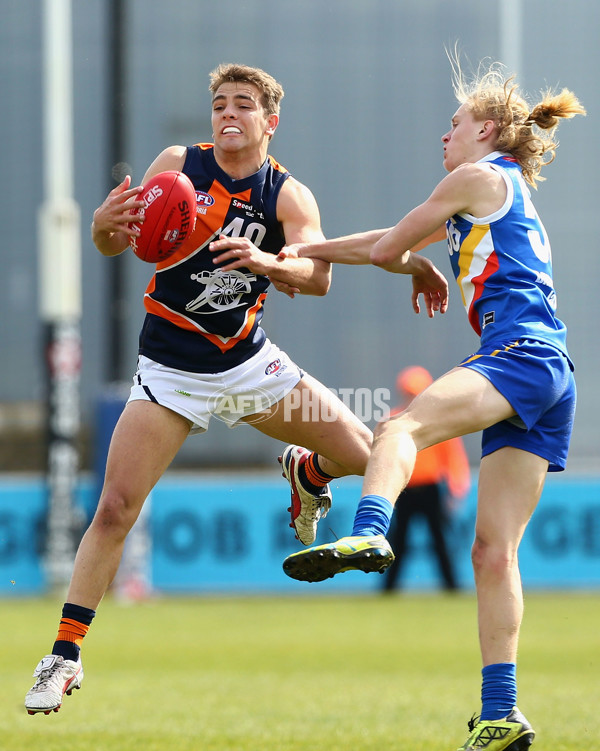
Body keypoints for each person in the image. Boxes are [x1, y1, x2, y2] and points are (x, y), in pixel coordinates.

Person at [24, 63, 438, 716]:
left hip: (247, 366)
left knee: (369, 455)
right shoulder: (178, 166)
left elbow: (319, 276)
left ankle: (308, 471)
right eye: (219, 103)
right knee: (116, 507)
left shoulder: (286, 196)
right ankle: (63, 656)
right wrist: (104, 224)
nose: (227, 114)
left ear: (270, 122)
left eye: (243, 104)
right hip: (170, 368)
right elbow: (117, 244)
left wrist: (270, 262)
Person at [280, 58, 585, 751]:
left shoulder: (475, 176)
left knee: (399, 430)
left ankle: (368, 530)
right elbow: (390, 241)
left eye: (454, 123)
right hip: (552, 371)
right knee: (492, 553)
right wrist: (301, 250)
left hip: (517, 354)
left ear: (486, 129)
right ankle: (501, 713)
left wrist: (399, 262)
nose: (443, 135)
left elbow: (390, 247)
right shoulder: (493, 187)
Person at [382, 365, 470, 592]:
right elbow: (383, 459)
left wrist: (456, 489)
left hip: (431, 489)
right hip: (404, 489)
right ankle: (388, 589)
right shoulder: (392, 419)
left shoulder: (438, 421)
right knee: (398, 543)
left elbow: (453, 458)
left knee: (440, 541)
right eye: (409, 392)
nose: (412, 397)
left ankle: (451, 587)